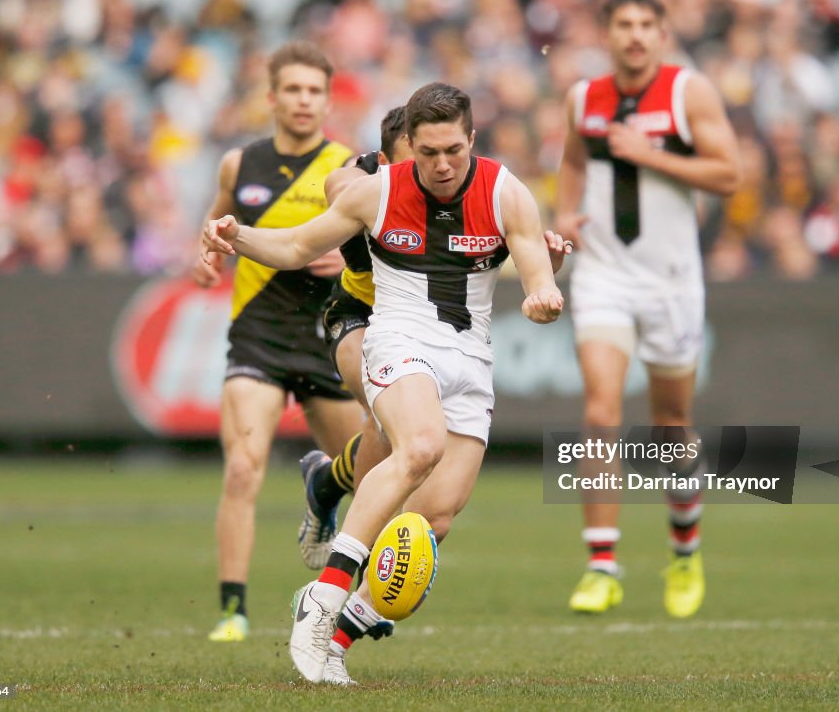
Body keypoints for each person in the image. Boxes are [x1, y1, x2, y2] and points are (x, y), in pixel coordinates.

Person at [203, 82, 565, 683]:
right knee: (418, 445)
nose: (443, 164)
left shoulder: (506, 191)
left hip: (471, 362)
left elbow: (533, 264)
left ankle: (337, 639)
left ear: (472, 139)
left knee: (433, 522)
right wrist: (238, 235)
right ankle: (322, 598)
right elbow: (296, 245)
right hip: (398, 339)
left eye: (453, 149)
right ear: (409, 148)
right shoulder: (377, 191)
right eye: (428, 152)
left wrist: (544, 293)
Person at [554, 0, 741, 618]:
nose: (634, 35)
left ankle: (684, 548)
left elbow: (729, 175)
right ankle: (601, 564)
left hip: (670, 278)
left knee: (670, 426)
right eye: (623, 25)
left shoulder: (690, 92)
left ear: (662, 33)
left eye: (645, 25)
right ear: (606, 33)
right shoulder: (585, 97)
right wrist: (565, 214)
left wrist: (650, 154)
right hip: (603, 271)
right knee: (600, 409)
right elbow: (573, 161)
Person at [190, 40, 365, 642]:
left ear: (327, 99)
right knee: (242, 469)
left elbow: (372, 241)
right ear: (271, 97)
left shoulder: (349, 167)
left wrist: (341, 255)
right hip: (259, 340)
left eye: (314, 90)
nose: (303, 100)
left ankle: (351, 598)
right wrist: (207, 255)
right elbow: (214, 225)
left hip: (328, 337)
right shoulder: (240, 165)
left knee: (375, 471)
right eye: (292, 89)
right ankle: (233, 611)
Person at [294, 106, 410, 573]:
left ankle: (325, 482)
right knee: (388, 413)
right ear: (384, 160)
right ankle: (364, 563)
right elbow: (337, 185)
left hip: (424, 323)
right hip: (358, 313)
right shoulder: (363, 176)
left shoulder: (454, 177)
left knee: (407, 431)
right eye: (411, 161)